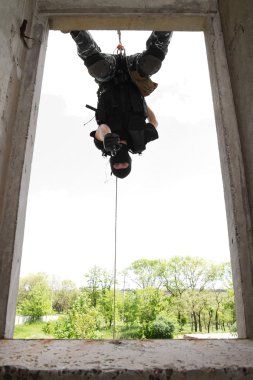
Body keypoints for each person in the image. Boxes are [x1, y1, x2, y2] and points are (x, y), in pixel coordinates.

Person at [70, 30, 173, 178]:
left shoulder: (104, 146)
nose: (120, 163)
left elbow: (102, 129)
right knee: (152, 63)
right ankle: (165, 27)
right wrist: (143, 103)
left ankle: (77, 31)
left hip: (108, 76)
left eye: (116, 165)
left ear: (112, 163)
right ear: (130, 162)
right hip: (133, 73)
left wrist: (106, 137)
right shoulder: (140, 142)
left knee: (97, 67)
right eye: (124, 165)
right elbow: (154, 122)